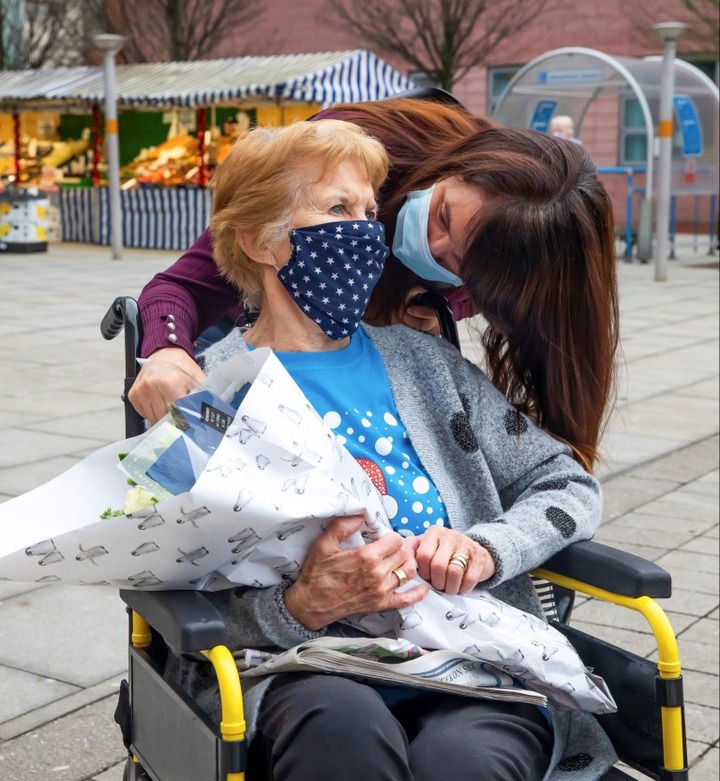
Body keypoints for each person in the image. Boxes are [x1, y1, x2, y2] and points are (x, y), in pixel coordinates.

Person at [166, 118, 617, 781]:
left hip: (472, 661)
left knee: (463, 762)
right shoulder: (213, 397)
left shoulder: (424, 363)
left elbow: (566, 483)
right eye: (339, 209)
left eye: (370, 212)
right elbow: (173, 591)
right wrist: (297, 607)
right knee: (340, 730)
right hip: (309, 666)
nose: (365, 232)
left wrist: (486, 546)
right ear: (263, 241)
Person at [130, 95, 618, 475]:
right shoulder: (341, 155)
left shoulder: (431, 365)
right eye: (444, 214)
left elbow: (551, 476)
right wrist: (168, 352)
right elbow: (184, 286)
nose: (432, 240)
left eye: (453, 259)